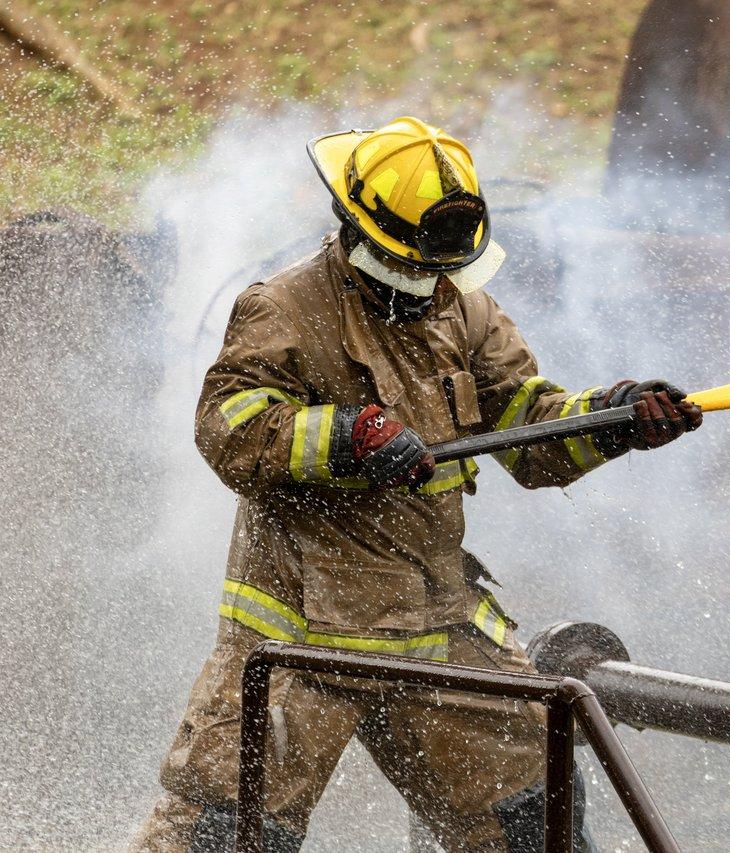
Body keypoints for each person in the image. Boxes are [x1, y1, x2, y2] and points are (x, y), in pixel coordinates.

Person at [131, 116, 701, 852]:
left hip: (435, 623)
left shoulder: (464, 309)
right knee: (223, 832)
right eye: (415, 270)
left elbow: (533, 427)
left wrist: (615, 418)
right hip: (302, 633)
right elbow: (229, 427)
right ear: (357, 230)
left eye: (441, 271)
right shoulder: (283, 309)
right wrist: (344, 436)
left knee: (534, 812)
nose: (429, 289)